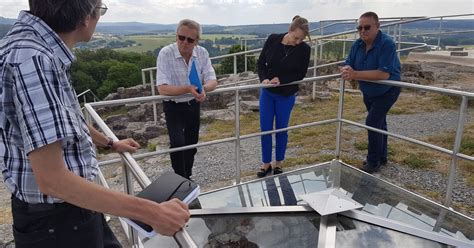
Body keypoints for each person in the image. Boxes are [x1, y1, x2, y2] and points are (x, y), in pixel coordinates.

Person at [0, 1, 190, 247]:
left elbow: (65, 119)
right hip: (58, 222)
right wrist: (152, 212)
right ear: (85, 18)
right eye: (100, 9)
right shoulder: (35, 60)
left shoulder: (28, 45)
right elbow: (51, 179)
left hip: (70, 209)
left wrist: (110, 143)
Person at [156, 19, 218, 180]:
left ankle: (187, 176)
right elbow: (162, 88)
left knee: (191, 144)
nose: (184, 42)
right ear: (176, 36)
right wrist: (188, 88)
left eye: (190, 40)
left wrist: (204, 88)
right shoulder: (166, 53)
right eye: (180, 37)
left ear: (197, 41)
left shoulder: (202, 53)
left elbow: (212, 79)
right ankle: (180, 179)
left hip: (192, 105)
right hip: (173, 105)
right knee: (177, 144)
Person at [341, 11, 401, 174]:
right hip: (368, 90)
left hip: (388, 90)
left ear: (377, 26)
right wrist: (347, 69)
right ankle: (382, 156)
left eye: (367, 27)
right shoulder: (358, 44)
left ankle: (373, 162)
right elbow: (349, 62)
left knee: (373, 122)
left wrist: (355, 75)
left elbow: (383, 74)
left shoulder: (386, 44)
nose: (362, 31)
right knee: (379, 123)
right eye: (359, 28)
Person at [256, 15, 311, 178]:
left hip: (286, 94)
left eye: (301, 39)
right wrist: (264, 79)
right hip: (267, 93)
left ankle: (278, 162)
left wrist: (282, 80)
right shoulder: (273, 39)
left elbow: (301, 74)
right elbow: (260, 63)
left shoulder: (304, 49)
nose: (298, 42)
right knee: (265, 129)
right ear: (289, 30)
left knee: (281, 129)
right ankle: (266, 163)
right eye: (296, 38)